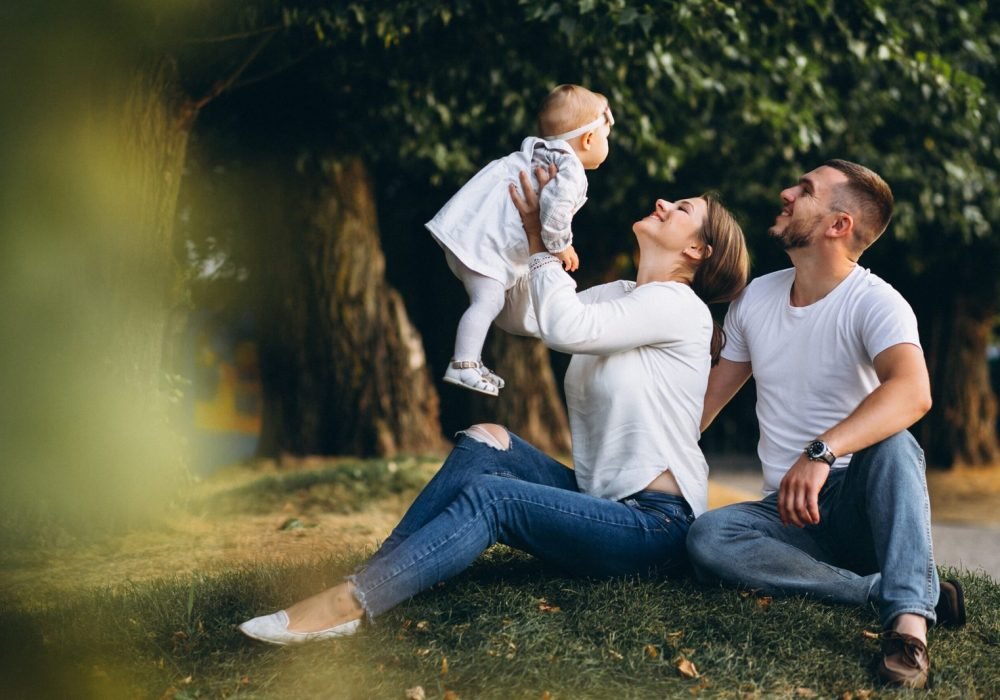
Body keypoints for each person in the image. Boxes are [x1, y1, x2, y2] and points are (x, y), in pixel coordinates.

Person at [238, 167, 750, 645]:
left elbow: (565, 326)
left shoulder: (678, 307)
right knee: (487, 439)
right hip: (602, 499)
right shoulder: (622, 294)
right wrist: (509, 236)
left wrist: (542, 245)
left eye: (681, 209)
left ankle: (349, 603)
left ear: (698, 250)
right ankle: (383, 573)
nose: (662, 202)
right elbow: (521, 314)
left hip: (652, 527)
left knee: (493, 497)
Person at [685, 160, 967, 689]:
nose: (787, 192)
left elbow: (913, 392)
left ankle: (908, 630)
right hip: (788, 520)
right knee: (708, 538)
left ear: (839, 225)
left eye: (806, 190)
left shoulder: (877, 303)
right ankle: (886, 589)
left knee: (895, 444)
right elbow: (705, 404)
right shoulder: (756, 299)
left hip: (861, 506)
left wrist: (822, 453)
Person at [426, 84, 614, 396]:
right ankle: (463, 363)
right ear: (589, 139)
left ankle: (471, 359)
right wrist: (560, 244)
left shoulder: (540, 151)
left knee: (490, 301)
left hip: (470, 236)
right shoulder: (571, 170)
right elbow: (554, 210)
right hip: (484, 248)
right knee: (489, 301)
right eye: (607, 137)